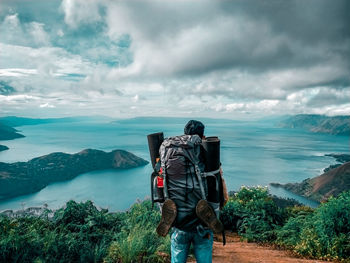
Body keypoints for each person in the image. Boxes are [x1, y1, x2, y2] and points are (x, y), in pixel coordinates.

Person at [157, 120, 228, 263]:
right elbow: (223, 195)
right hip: (201, 224)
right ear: (202, 136)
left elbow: (159, 180)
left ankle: (175, 214)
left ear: (185, 133)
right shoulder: (207, 157)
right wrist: (218, 207)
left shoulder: (170, 153)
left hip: (178, 223)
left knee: (177, 256)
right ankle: (203, 212)